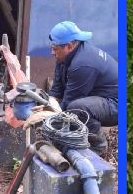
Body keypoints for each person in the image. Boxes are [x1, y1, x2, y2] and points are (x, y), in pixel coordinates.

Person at [48, 21, 118, 154]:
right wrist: (48, 104)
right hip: (99, 98)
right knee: (70, 108)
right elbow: (57, 90)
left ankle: (98, 146)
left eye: (55, 48)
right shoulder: (65, 57)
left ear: (68, 46)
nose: (52, 52)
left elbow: (69, 104)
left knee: (77, 108)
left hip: (115, 104)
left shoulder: (82, 64)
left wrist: (50, 120)